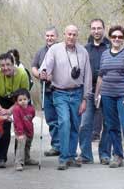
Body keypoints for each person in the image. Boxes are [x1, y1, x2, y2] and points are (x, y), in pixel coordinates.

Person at [41, 25, 92, 170]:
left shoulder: (83, 52)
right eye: (69, 34)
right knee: (64, 122)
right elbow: (46, 67)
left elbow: (87, 76)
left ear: (78, 35)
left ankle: (71, 156)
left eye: (74, 34)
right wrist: (44, 73)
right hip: (60, 92)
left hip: (77, 93)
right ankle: (63, 158)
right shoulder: (54, 50)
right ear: (64, 34)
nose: (71, 37)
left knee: (76, 125)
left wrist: (85, 99)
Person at [94, 25, 124, 171]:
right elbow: (101, 76)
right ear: (110, 38)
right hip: (107, 94)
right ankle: (118, 156)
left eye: (120, 37)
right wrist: (97, 95)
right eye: (114, 36)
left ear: (123, 39)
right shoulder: (105, 54)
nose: (116, 39)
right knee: (111, 126)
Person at [78, 19, 112, 164]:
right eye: (93, 28)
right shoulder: (84, 49)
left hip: (108, 90)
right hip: (89, 90)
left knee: (108, 123)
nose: (96, 31)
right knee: (85, 124)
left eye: (99, 28)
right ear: (90, 30)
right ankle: (86, 155)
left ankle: (105, 155)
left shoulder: (111, 47)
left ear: (104, 29)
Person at [0, 52, 29, 168]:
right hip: (2, 99)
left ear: (13, 63)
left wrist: (11, 110)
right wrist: (0, 110)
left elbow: (24, 96)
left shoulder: (22, 74)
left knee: (21, 127)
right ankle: (0, 157)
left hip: (20, 100)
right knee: (3, 126)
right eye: (2, 65)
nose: (5, 68)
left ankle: (20, 158)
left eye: (8, 65)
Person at [31, 26, 60, 156]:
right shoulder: (40, 52)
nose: (49, 38)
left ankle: (65, 146)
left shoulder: (62, 50)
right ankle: (56, 146)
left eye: (52, 36)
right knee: (51, 120)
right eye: (47, 36)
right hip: (45, 90)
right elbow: (33, 67)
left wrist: (53, 76)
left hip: (60, 90)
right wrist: (38, 75)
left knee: (63, 119)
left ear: (57, 37)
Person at [12, 88, 38, 171]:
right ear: (16, 101)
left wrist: (30, 130)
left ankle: (27, 159)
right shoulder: (16, 109)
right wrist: (20, 133)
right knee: (21, 146)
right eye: (20, 100)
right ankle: (18, 162)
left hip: (29, 130)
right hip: (20, 131)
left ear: (29, 99)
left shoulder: (31, 109)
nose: (23, 101)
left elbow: (32, 116)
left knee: (27, 145)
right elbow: (17, 122)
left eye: (25, 99)